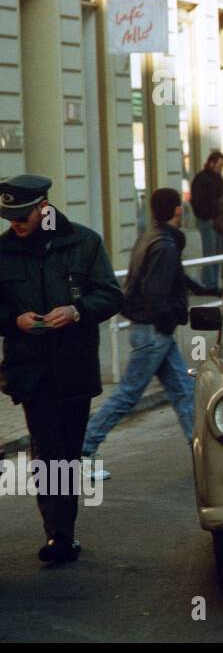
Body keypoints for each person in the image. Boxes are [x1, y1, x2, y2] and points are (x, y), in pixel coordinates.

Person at [0, 174, 123, 564]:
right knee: (48, 450)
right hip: (31, 370)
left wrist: (76, 311)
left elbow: (110, 295)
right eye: (9, 216)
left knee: (67, 452)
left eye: (22, 215)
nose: (15, 223)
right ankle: (58, 535)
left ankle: (64, 530)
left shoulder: (83, 243)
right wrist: (13, 320)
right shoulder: (3, 251)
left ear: (44, 207)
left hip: (74, 367)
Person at [82, 188, 214, 479]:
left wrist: (207, 290)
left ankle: (205, 455)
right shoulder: (164, 245)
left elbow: (172, 279)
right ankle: (84, 449)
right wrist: (167, 321)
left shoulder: (152, 237)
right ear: (178, 211)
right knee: (129, 394)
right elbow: (155, 291)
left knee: (183, 389)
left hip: (152, 330)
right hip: (154, 331)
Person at [190, 150, 223, 287]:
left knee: (216, 252)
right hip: (207, 219)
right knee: (210, 252)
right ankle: (210, 283)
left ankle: (213, 282)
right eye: (219, 165)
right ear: (212, 163)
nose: (220, 169)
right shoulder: (202, 178)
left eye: (222, 166)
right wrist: (207, 213)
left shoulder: (216, 178)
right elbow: (198, 200)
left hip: (216, 219)